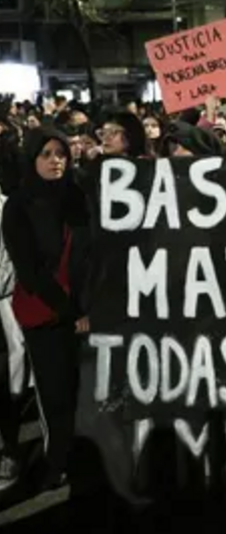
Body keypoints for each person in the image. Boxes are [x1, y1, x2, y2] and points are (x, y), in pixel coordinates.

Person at [3, 127, 89, 489]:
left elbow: (92, 253)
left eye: (61, 154)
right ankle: (58, 463)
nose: (56, 161)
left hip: (85, 310)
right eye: (47, 154)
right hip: (48, 314)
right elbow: (30, 270)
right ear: (32, 158)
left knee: (83, 391)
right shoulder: (19, 206)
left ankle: (83, 459)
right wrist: (72, 311)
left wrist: (86, 305)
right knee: (55, 395)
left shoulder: (77, 195)